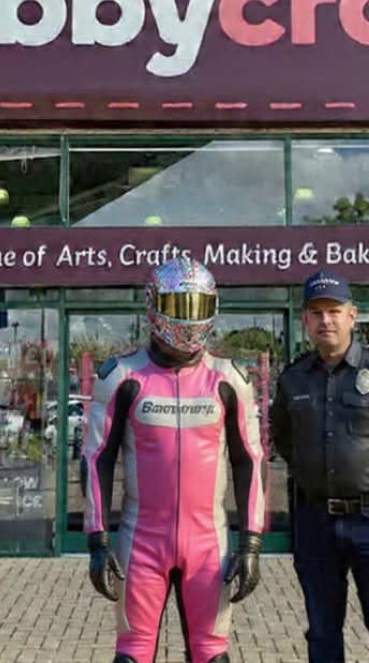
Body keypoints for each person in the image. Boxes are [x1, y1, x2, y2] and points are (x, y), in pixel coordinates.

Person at [83, 257, 266, 663]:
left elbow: (250, 462)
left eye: (199, 306)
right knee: (132, 654)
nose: (189, 318)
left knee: (212, 654)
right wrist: (97, 540)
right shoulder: (122, 376)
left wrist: (251, 543)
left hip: (209, 541)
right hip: (141, 539)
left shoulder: (229, 379)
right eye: (179, 305)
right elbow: (97, 459)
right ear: (153, 305)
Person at [270, 270, 369, 663]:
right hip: (315, 523)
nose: (326, 320)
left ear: (352, 315)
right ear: (305, 320)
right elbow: (284, 439)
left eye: (334, 311)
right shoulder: (292, 379)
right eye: (316, 312)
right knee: (322, 634)